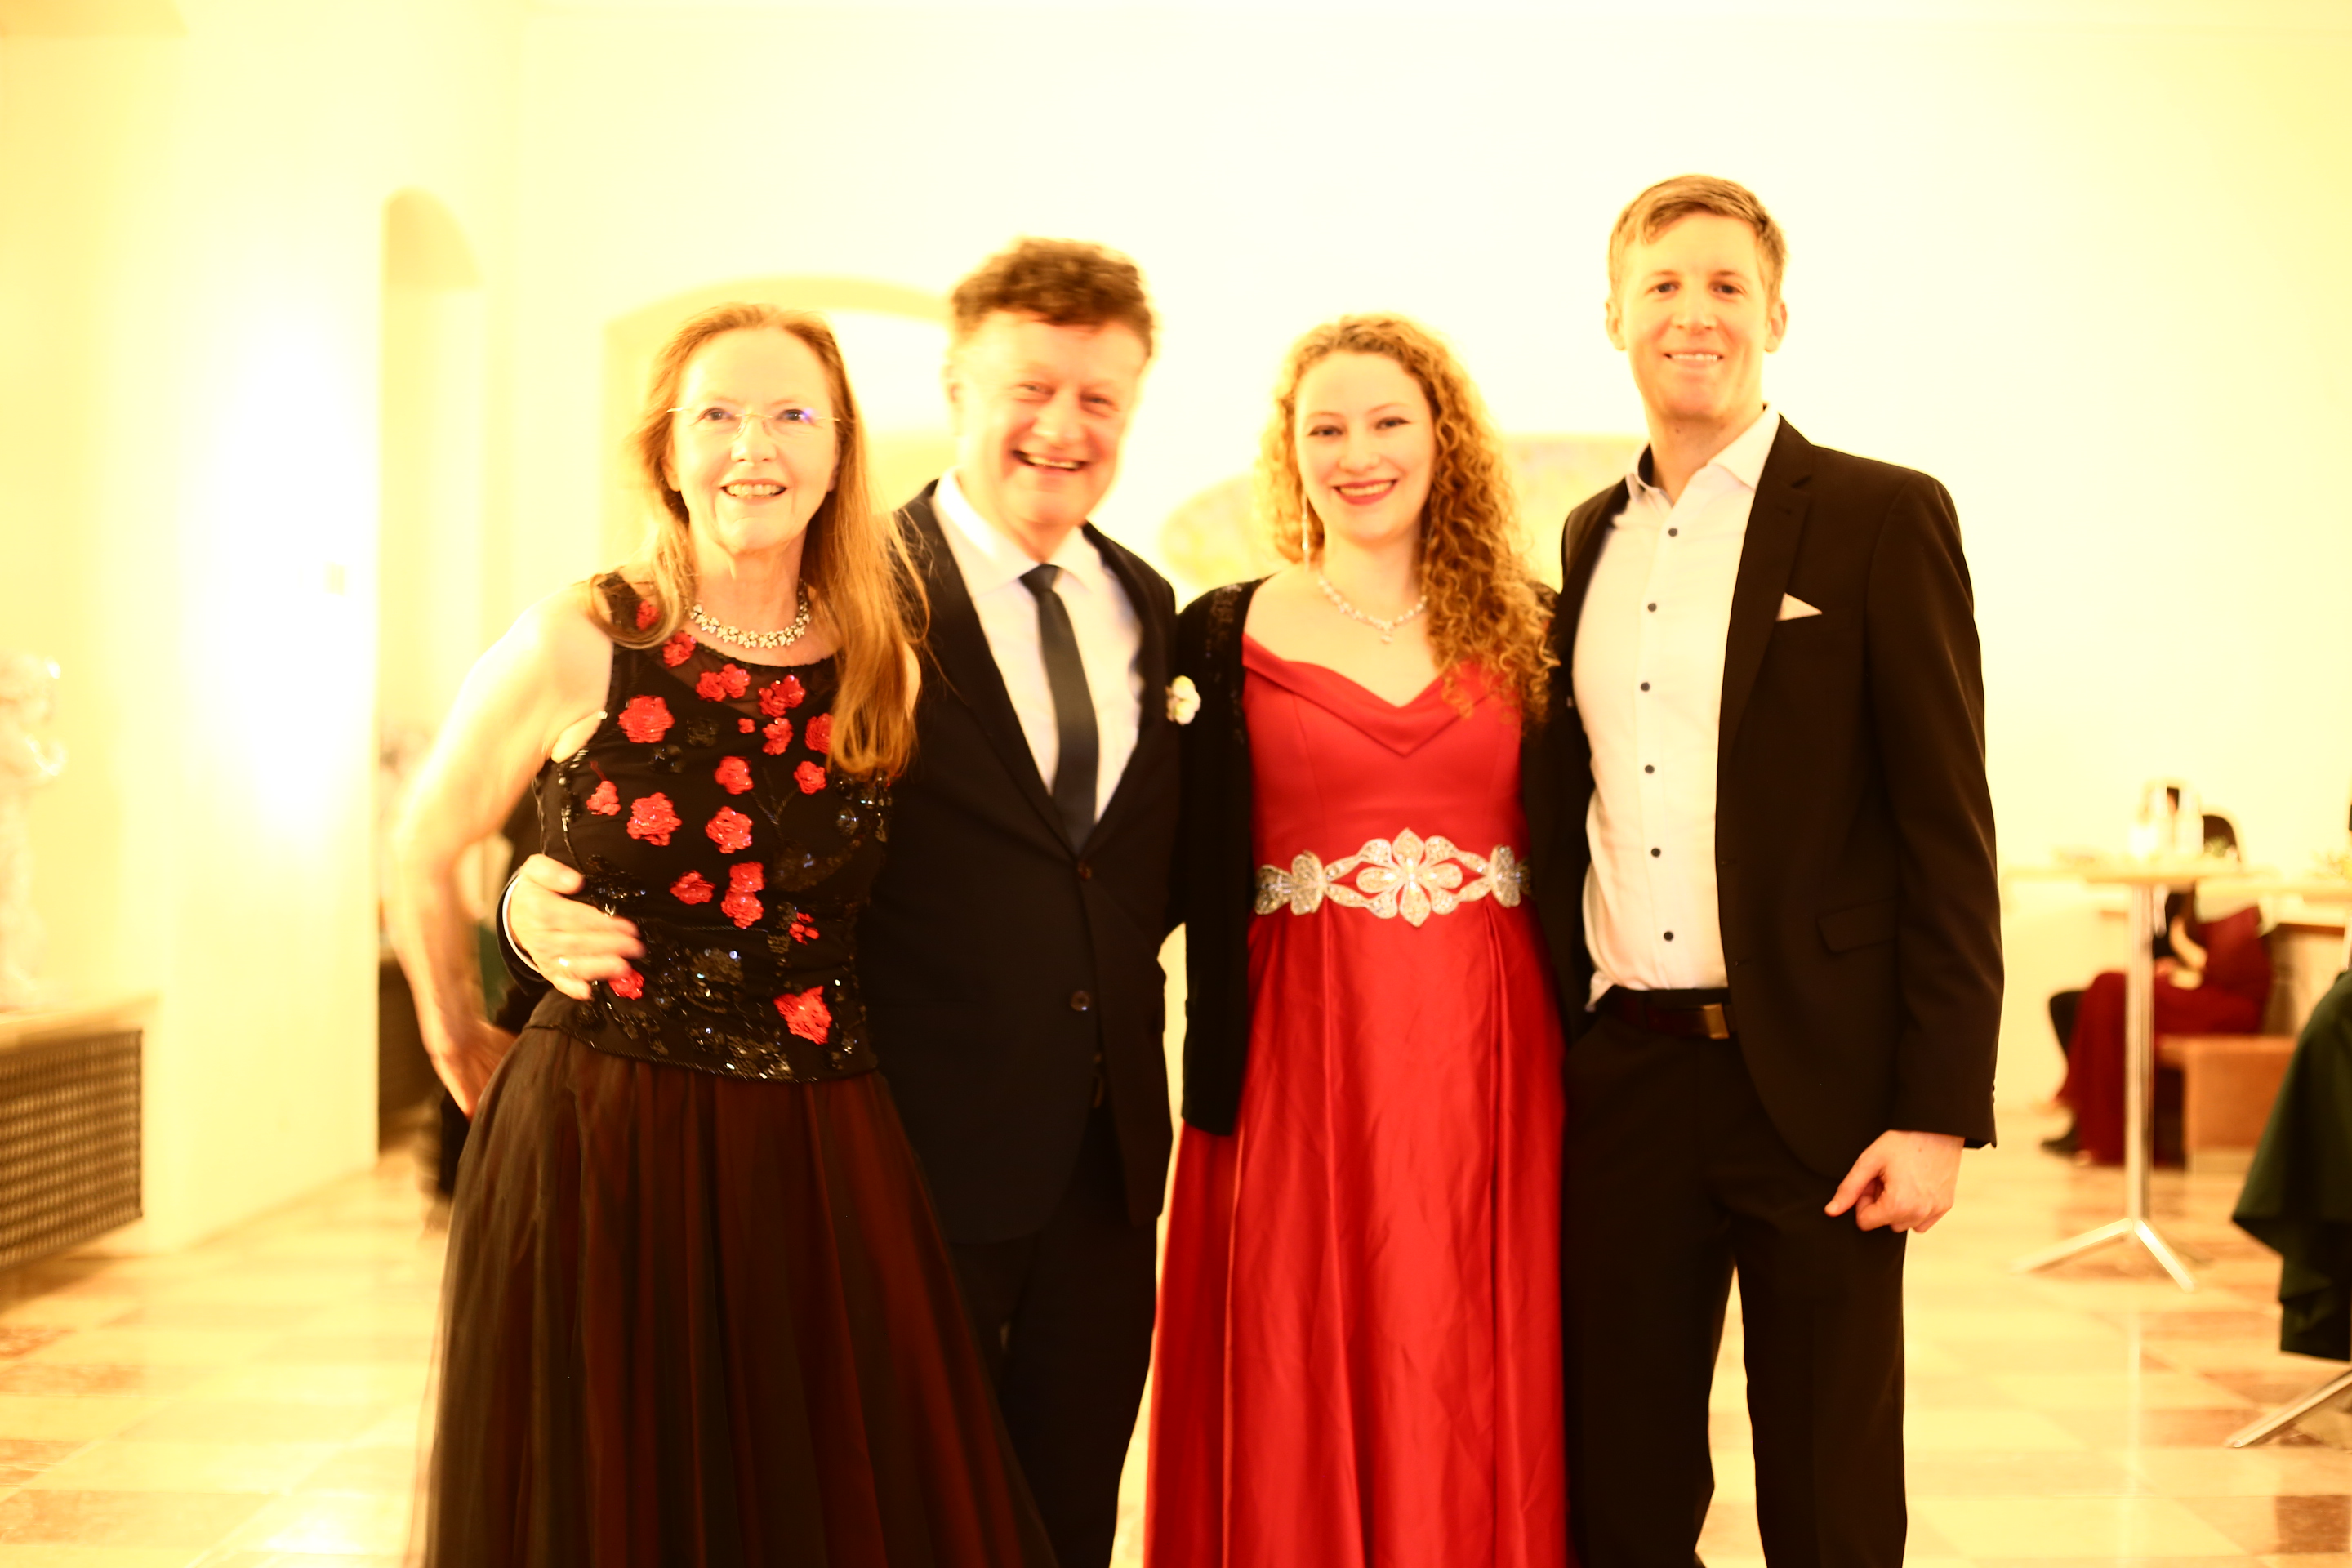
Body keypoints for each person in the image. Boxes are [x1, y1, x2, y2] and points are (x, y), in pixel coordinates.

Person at [507, 240, 1179, 1568]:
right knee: (886, 1519)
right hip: (891, 1147)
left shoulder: (1149, 604)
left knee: (1065, 1518)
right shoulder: (842, 596)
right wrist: (531, 902)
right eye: (1030, 388)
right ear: (955, 387)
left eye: (1100, 398)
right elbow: (664, 787)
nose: (1062, 427)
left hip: (1103, 1167)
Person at [387, 304, 1051, 1565]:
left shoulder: (885, 663)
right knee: (614, 1490)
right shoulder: (584, 639)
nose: (756, 445)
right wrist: (457, 1034)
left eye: (793, 414)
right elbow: (424, 846)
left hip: (819, 1140)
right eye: (719, 415)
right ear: (667, 450)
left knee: (806, 1490)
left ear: (841, 452)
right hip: (603, 1130)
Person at [1524, 176, 2002, 1568]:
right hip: (1625, 1077)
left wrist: (1935, 1109)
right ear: (1613, 316)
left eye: (1728, 285)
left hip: (1822, 1092)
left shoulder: (1880, 515)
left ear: (1777, 316)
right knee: (1620, 1486)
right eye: (1663, 285)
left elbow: (1947, 829)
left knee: (1829, 1494)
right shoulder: (1588, 538)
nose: (1695, 314)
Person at [1147, 314, 1567, 1564]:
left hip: (1498, 1058)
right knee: (1296, 1334)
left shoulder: (1536, 625)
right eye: (1324, 427)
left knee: (1476, 1337)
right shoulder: (1214, 638)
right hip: (1292, 1056)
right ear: (1289, 450)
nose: (1358, 453)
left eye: (1388, 421)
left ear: (1445, 439)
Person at [2052, 813, 2272, 1165]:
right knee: (2110, 997)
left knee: (2109, 987)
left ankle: (2080, 1103)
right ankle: (2100, 1132)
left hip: (2230, 1006)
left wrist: (2182, 945)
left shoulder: (2229, 891)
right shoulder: (2199, 892)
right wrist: (2177, 965)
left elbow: (2227, 969)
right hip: (2208, 993)